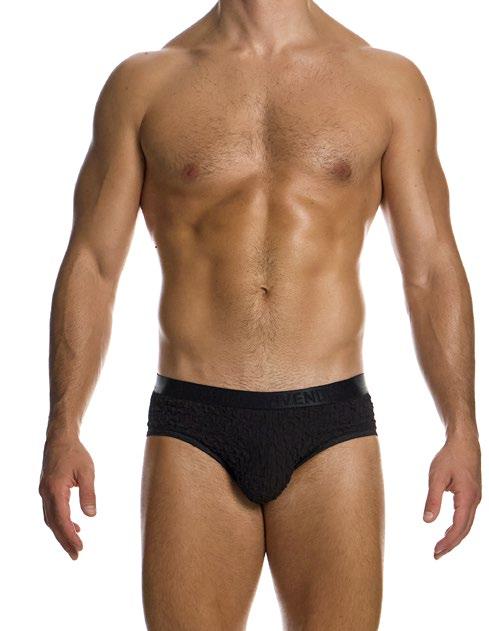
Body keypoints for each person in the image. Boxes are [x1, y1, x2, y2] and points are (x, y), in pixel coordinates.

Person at [39, 1, 482, 629]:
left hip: (332, 423)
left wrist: (461, 427)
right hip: (194, 423)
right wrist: (63, 427)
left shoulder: (386, 82)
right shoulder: (146, 84)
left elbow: (431, 267)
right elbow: (93, 264)